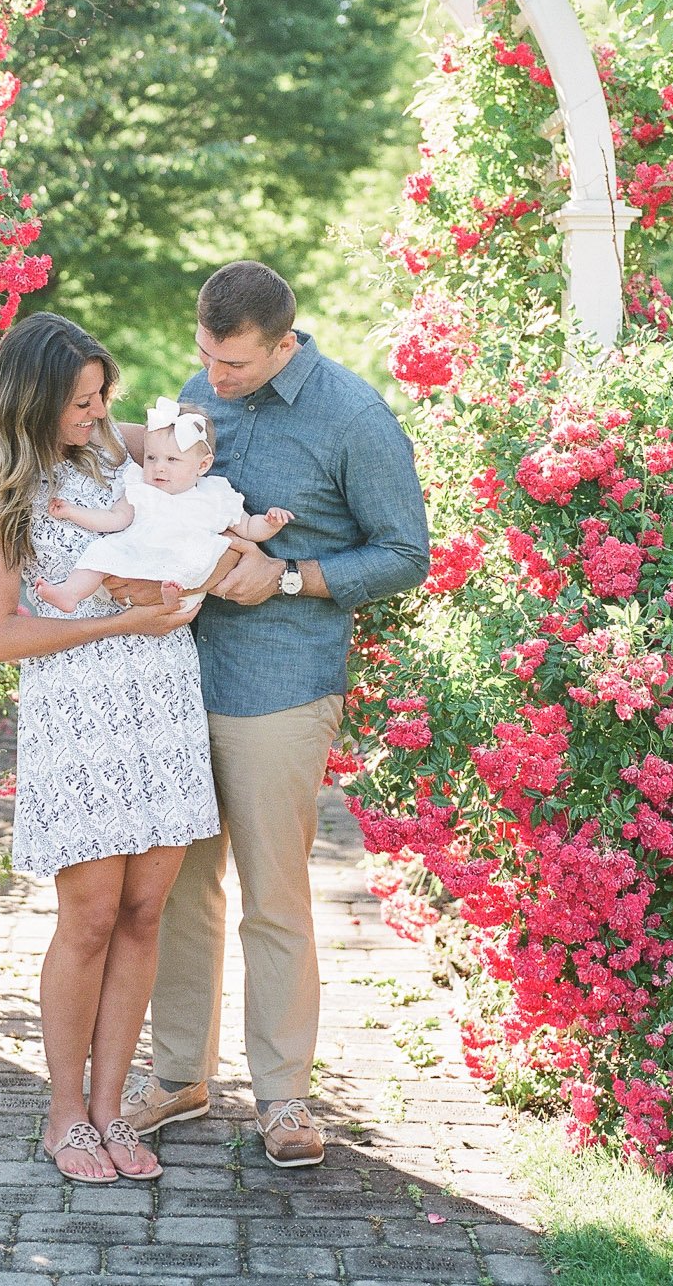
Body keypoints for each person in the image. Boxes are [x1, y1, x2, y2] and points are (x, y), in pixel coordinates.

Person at [112, 262, 430, 1167]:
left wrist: (288, 575)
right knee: (176, 887)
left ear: (284, 343)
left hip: (284, 683)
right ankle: (177, 1075)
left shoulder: (355, 416)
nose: (214, 380)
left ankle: (285, 1098)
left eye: (236, 366)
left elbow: (407, 553)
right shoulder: (193, 391)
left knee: (275, 895)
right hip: (178, 676)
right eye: (205, 358)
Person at [0, 312, 235, 1183]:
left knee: (145, 913)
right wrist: (124, 614)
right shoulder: (4, 494)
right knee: (86, 918)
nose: (99, 412)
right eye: (81, 401)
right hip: (79, 717)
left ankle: (114, 1110)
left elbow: (195, 485)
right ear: (35, 399)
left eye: (103, 395)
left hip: (162, 704)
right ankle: (65, 1116)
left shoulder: (122, 449)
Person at [33, 396, 294, 614]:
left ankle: (170, 601)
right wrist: (71, 511)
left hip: (184, 558)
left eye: (171, 459)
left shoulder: (216, 494)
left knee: (199, 564)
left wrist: (270, 522)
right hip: (139, 550)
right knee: (101, 552)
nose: (159, 467)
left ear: (202, 465)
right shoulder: (140, 488)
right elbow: (115, 519)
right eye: (151, 457)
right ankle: (70, 592)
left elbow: (249, 528)